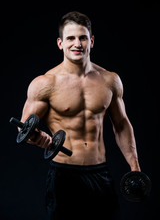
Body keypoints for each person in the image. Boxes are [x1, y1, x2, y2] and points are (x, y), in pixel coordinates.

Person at [20, 11, 141, 219]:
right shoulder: (45, 84)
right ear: (60, 43)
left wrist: (135, 166)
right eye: (70, 38)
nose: (77, 43)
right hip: (63, 176)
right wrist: (36, 138)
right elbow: (24, 127)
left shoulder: (109, 80)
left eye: (82, 37)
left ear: (91, 41)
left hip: (99, 173)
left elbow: (121, 125)